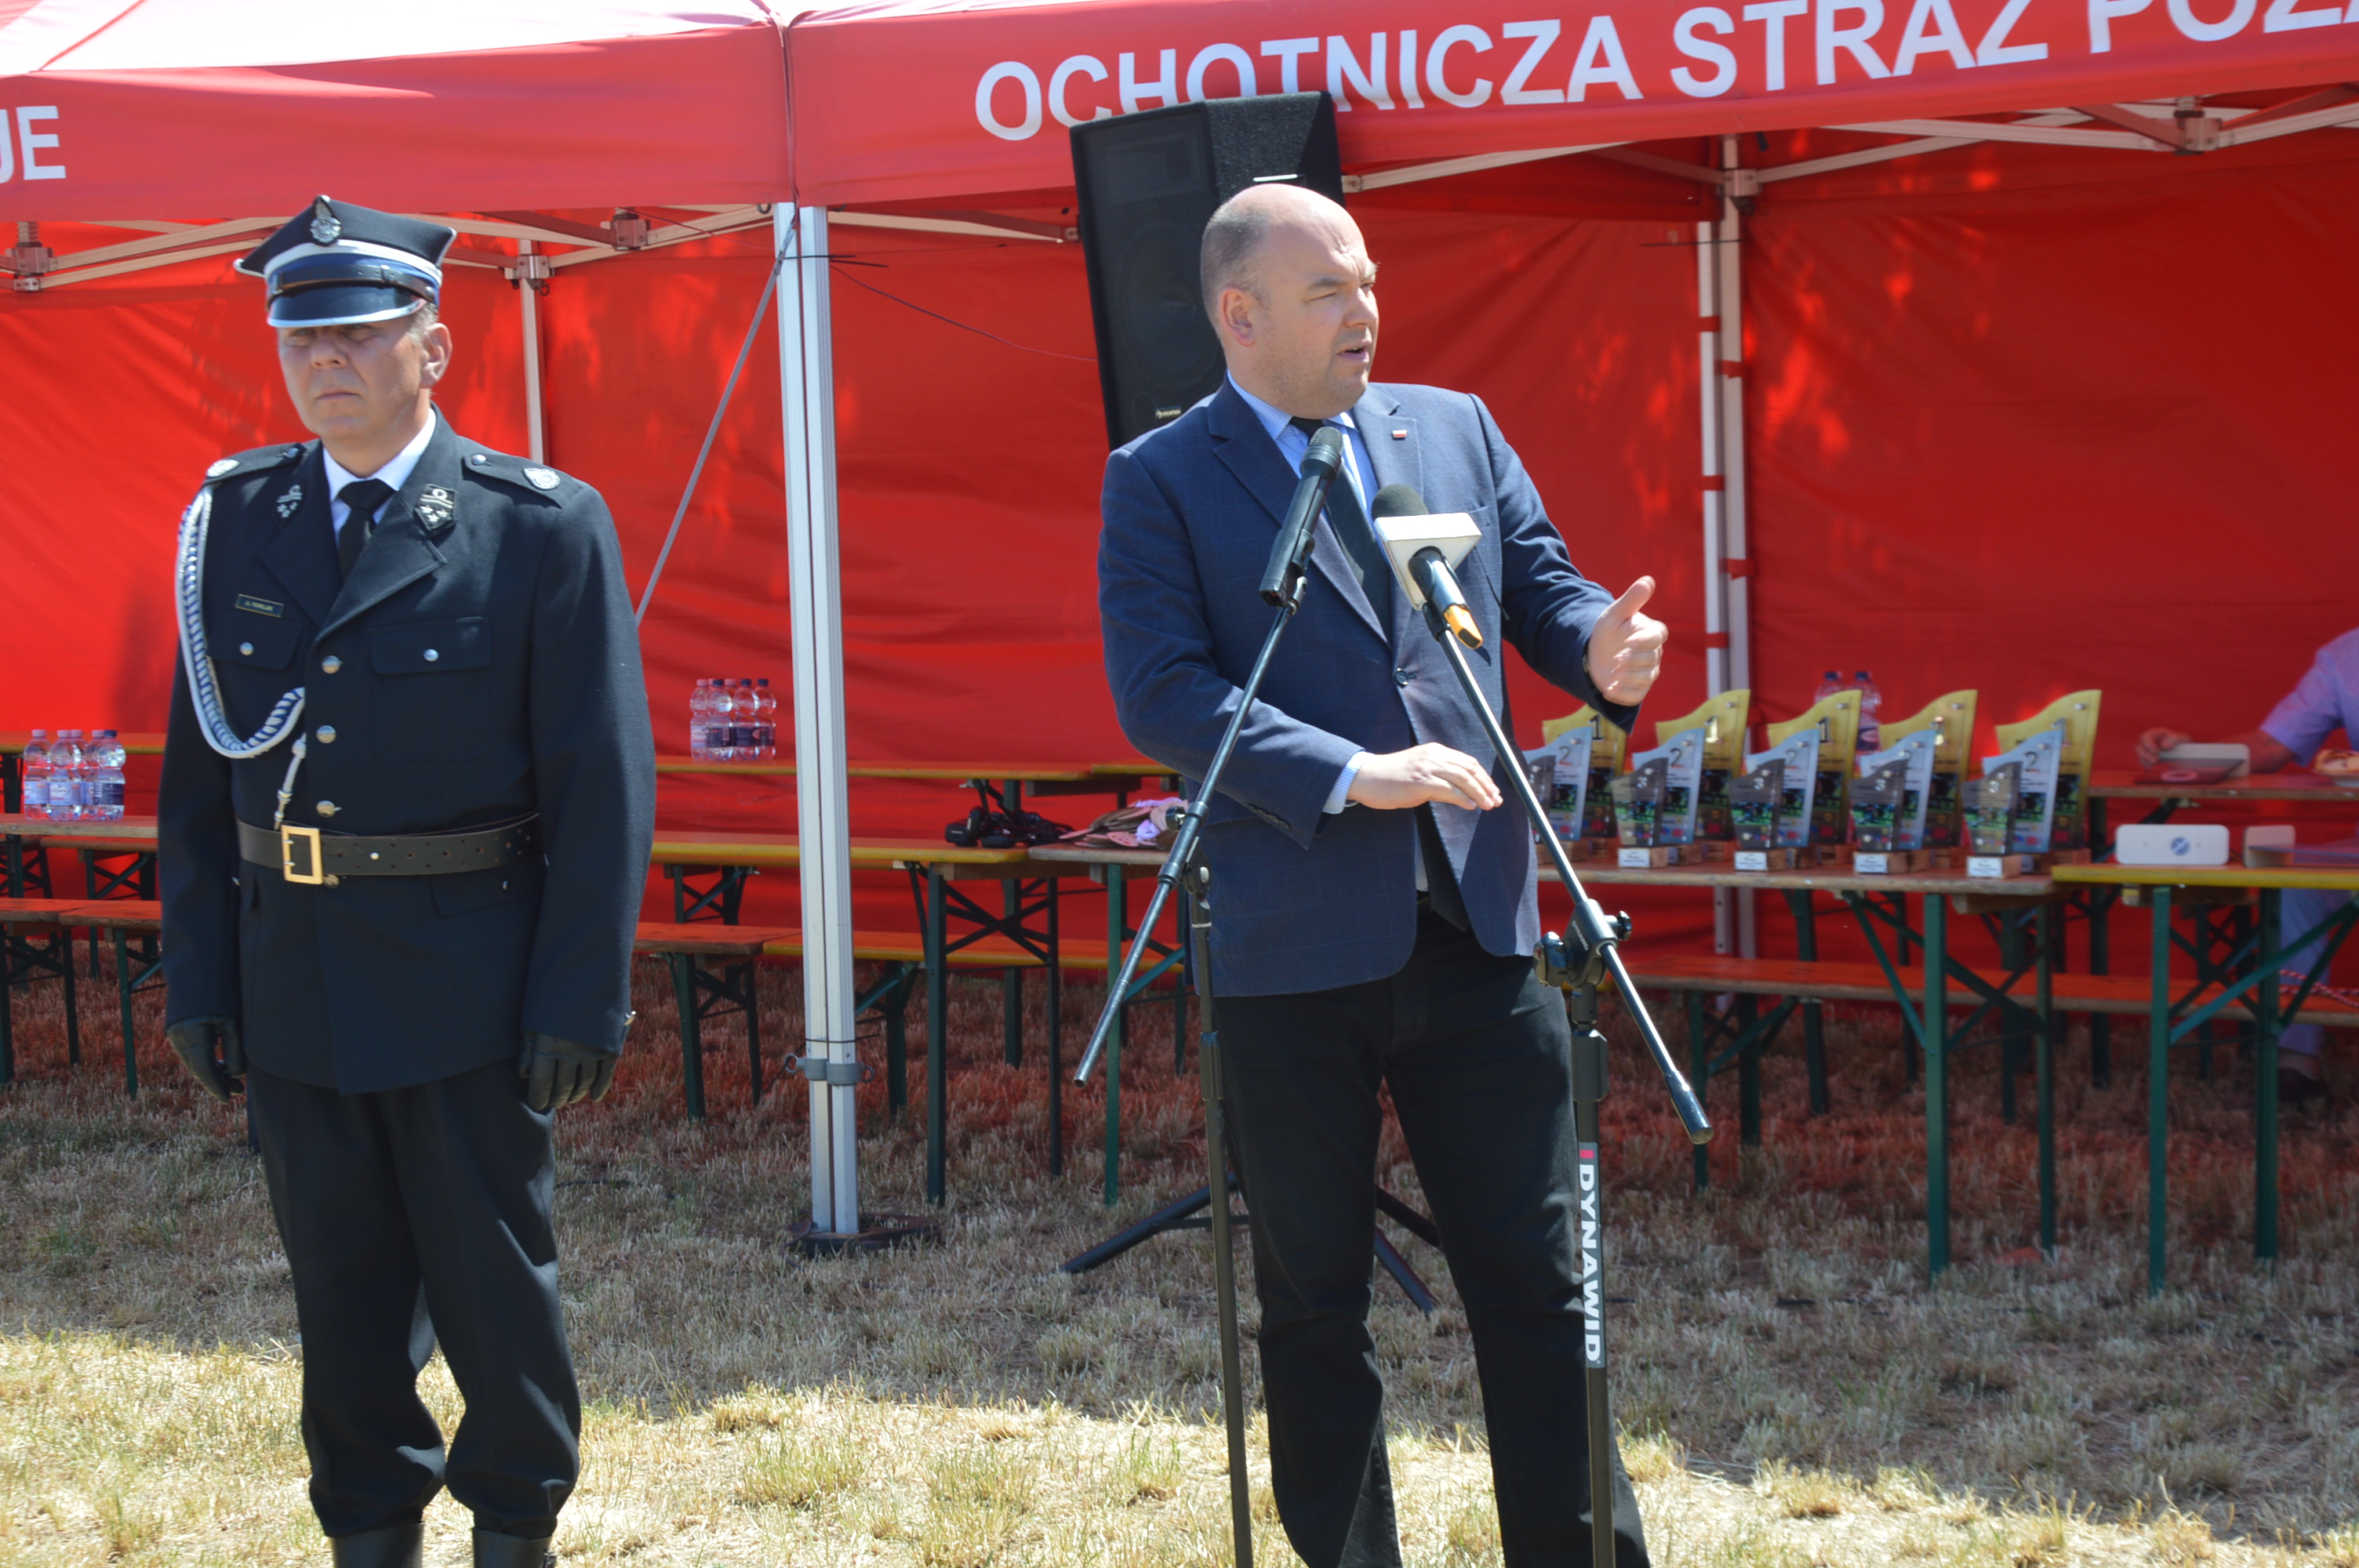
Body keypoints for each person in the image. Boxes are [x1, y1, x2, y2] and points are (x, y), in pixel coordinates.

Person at [1097, 182, 1665, 1568]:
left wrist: (1597, 647)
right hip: (1294, 943)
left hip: (1478, 930)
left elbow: (1539, 586)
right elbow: (1164, 693)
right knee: (1314, 1302)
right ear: (1239, 316)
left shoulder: (1449, 428)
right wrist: (1353, 772)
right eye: (1327, 291)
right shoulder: (1160, 477)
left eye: (1366, 282)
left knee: (1541, 1285)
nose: (1365, 311)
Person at [157, 196, 655, 1568]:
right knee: (339, 1292)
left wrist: (579, 998)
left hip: (466, 978)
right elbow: (197, 782)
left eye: (362, 335)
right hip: (296, 971)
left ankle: (513, 1525)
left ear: (431, 350)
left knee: (495, 1287)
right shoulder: (234, 520)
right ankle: (369, 1529)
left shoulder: (535, 524)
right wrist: (198, 974)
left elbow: (601, 785)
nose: (328, 360)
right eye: (302, 338)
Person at [2138, 627, 2358, 1104]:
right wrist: (2186, 752)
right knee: (2291, 878)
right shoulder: (2346, 655)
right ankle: (2296, 1060)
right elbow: (2271, 745)